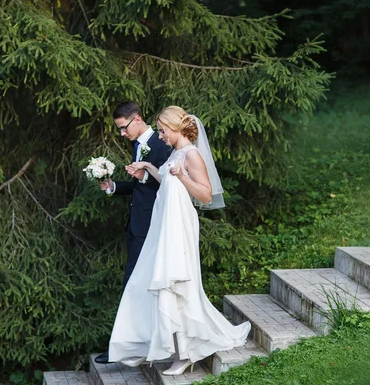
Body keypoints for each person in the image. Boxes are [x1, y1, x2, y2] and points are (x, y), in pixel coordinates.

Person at [108, 106, 251, 376]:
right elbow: (167, 183)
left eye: (162, 130)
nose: (160, 136)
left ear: (175, 128)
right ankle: (165, 345)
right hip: (164, 223)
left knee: (177, 282)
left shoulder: (192, 154)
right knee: (153, 279)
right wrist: (149, 168)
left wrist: (182, 175)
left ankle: (185, 352)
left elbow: (206, 195)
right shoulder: (175, 153)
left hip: (180, 225)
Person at [93, 102, 171, 365]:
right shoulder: (140, 143)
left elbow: (168, 186)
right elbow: (142, 186)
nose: (122, 134)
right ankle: (135, 345)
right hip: (137, 223)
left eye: (123, 128)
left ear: (136, 120)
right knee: (135, 285)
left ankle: (127, 348)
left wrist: (146, 173)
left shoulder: (161, 145)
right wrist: (114, 186)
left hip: (151, 225)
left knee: (135, 284)